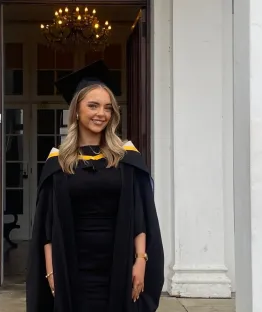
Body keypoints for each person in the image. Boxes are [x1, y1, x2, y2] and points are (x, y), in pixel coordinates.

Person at [26, 60, 164, 312]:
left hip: (118, 261)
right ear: (76, 110)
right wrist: (50, 270)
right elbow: (47, 224)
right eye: (93, 105)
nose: (101, 113)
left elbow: (140, 214)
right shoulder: (58, 161)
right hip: (71, 262)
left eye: (108, 108)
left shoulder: (126, 157)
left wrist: (141, 260)